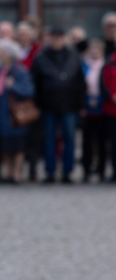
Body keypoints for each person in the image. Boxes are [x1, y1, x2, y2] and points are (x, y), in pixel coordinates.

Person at [31, 27, 86, 184]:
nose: (56, 41)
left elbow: (80, 82)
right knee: (49, 139)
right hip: (47, 105)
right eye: (54, 37)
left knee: (69, 139)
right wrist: (37, 103)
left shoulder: (73, 56)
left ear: (64, 38)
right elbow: (35, 81)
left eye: (59, 37)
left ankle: (67, 172)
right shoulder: (41, 57)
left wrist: (81, 104)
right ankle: (50, 171)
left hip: (69, 104)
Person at [0, 41, 35, 184]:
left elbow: (29, 91)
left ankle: (16, 173)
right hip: (1, 113)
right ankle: (9, 172)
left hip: (15, 114)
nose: (0, 55)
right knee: (6, 146)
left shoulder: (20, 71)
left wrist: (13, 86)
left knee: (18, 146)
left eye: (2, 53)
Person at [81, 39, 107, 182]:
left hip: (103, 106)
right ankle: (86, 169)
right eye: (92, 49)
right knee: (87, 141)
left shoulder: (106, 65)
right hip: (87, 106)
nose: (94, 52)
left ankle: (102, 170)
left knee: (102, 141)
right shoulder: (83, 65)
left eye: (97, 50)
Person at [100, 44, 116, 182]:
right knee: (113, 143)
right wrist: (112, 96)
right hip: (112, 109)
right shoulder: (110, 62)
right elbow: (104, 82)